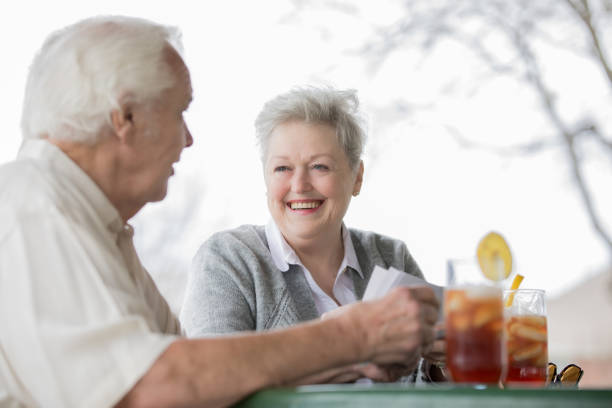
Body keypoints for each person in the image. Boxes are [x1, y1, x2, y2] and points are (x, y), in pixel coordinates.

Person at [0, 16, 439, 407]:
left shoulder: (94, 226)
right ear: (125, 117)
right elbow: (147, 389)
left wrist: (355, 360)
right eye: (179, 112)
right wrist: (354, 336)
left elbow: (204, 387)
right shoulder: (32, 205)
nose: (187, 139)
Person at [180, 86, 444, 383]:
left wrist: (442, 365)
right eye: (282, 168)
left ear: (357, 177)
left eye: (320, 166)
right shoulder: (228, 260)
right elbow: (212, 382)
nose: (300, 184)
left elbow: (426, 391)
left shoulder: (391, 257)